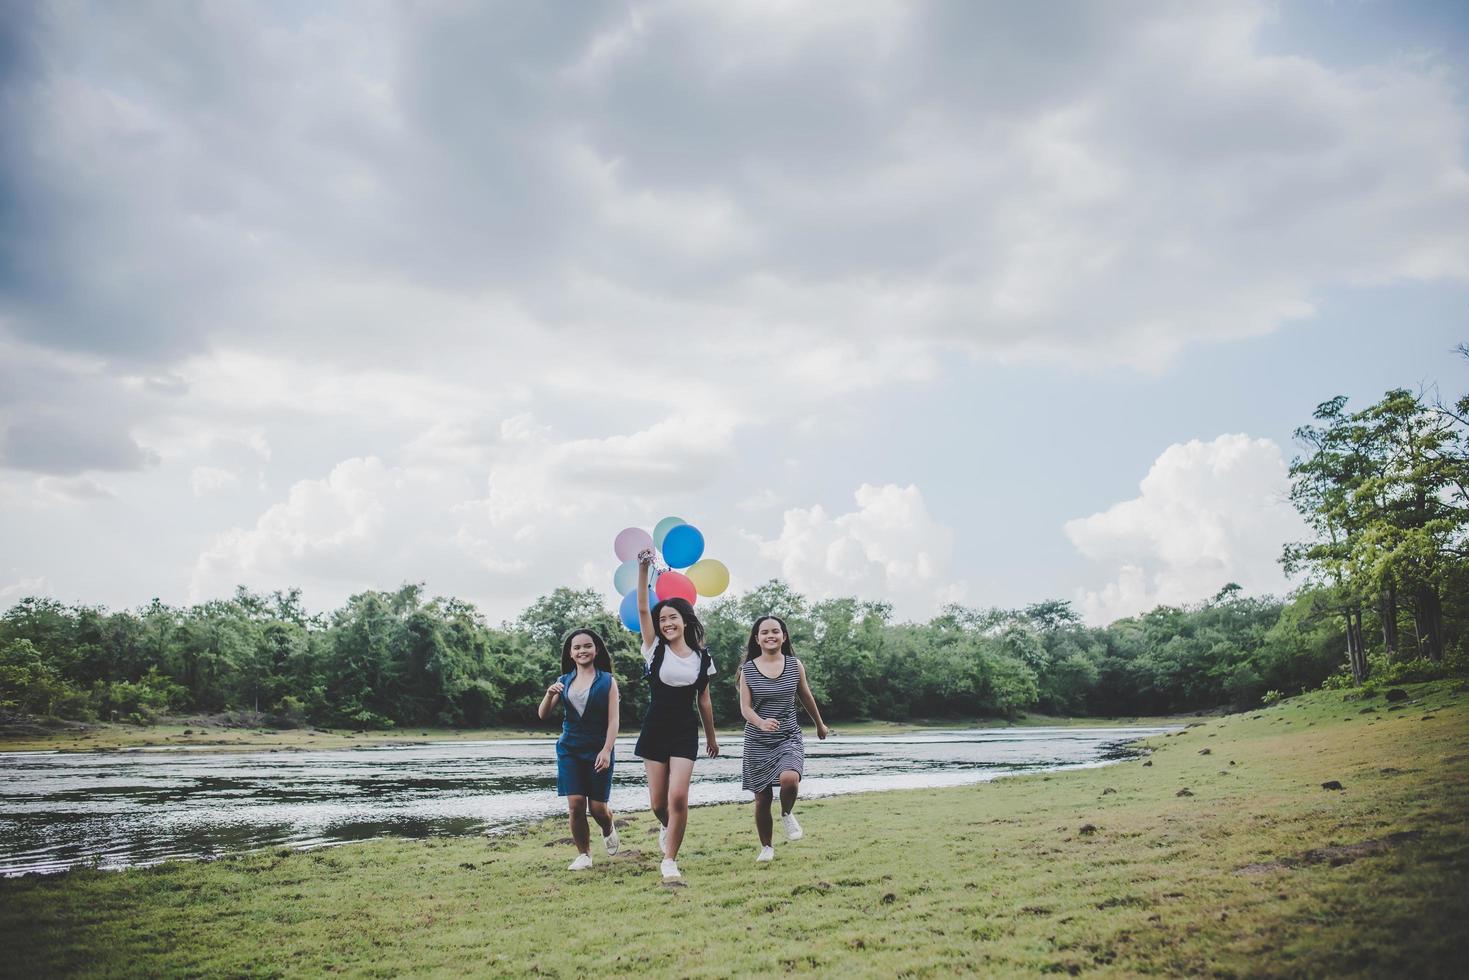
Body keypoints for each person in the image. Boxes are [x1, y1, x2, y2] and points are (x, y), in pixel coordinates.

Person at [634, 550, 718, 881]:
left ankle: (670, 860)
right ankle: (667, 826)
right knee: (659, 803)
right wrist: (643, 569)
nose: (667, 623)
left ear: (685, 621)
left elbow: (705, 701)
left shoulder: (702, 658)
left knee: (679, 796)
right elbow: (643, 607)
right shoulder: (654, 649)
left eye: (673, 618)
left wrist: (711, 736)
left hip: (685, 731)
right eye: (662, 620)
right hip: (655, 729)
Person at [738, 614, 829, 863]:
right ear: (757, 639)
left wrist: (819, 724)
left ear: (784, 636)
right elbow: (745, 708)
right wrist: (760, 722)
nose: (770, 635)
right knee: (762, 797)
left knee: (790, 779)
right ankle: (766, 847)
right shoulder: (747, 670)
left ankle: (787, 813)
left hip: (788, 735)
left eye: (775, 631)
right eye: (765, 632)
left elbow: (806, 696)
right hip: (757, 740)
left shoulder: (794, 665)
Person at [537, 628, 621, 871]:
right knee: (575, 804)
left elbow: (614, 721)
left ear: (595, 650)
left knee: (598, 809)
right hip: (569, 749)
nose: (582, 650)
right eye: (577, 647)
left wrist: (606, 750)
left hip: (598, 749)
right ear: (571, 654)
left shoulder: (608, 681)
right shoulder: (562, 682)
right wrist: (548, 694)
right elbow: (543, 714)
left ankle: (608, 827)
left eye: (587, 646)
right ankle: (584, 854)